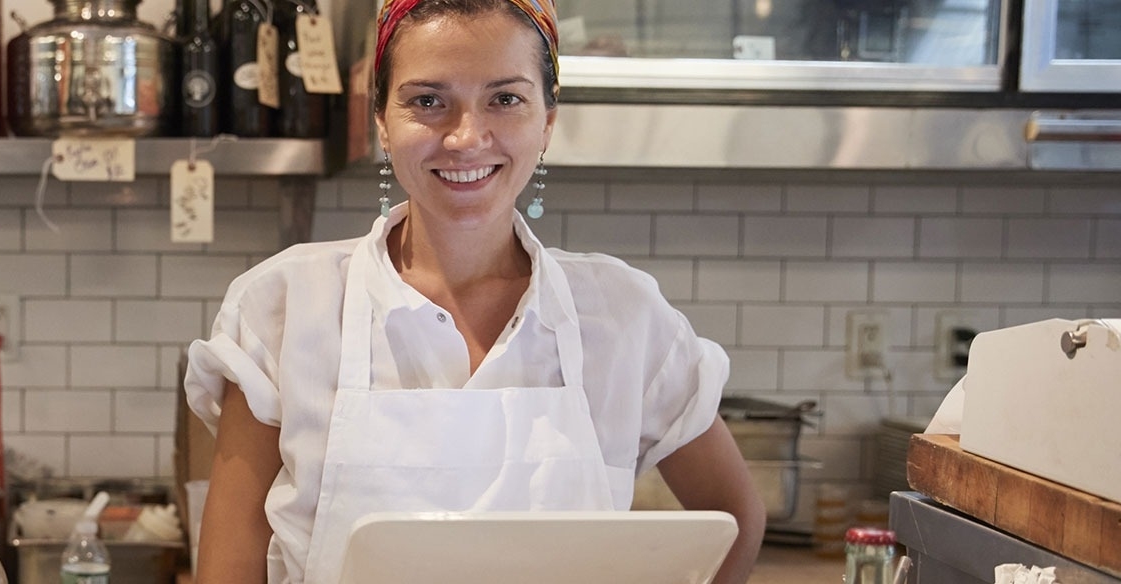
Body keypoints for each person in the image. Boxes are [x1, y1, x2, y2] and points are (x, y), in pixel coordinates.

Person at [181, 0, 766, 582]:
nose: (465, 138)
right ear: (382, 120)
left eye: (505, 99)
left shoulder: (623, 316)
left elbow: (735, 518)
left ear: (547, 121)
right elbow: (228, 573)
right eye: (427, 101)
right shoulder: (285, 306)